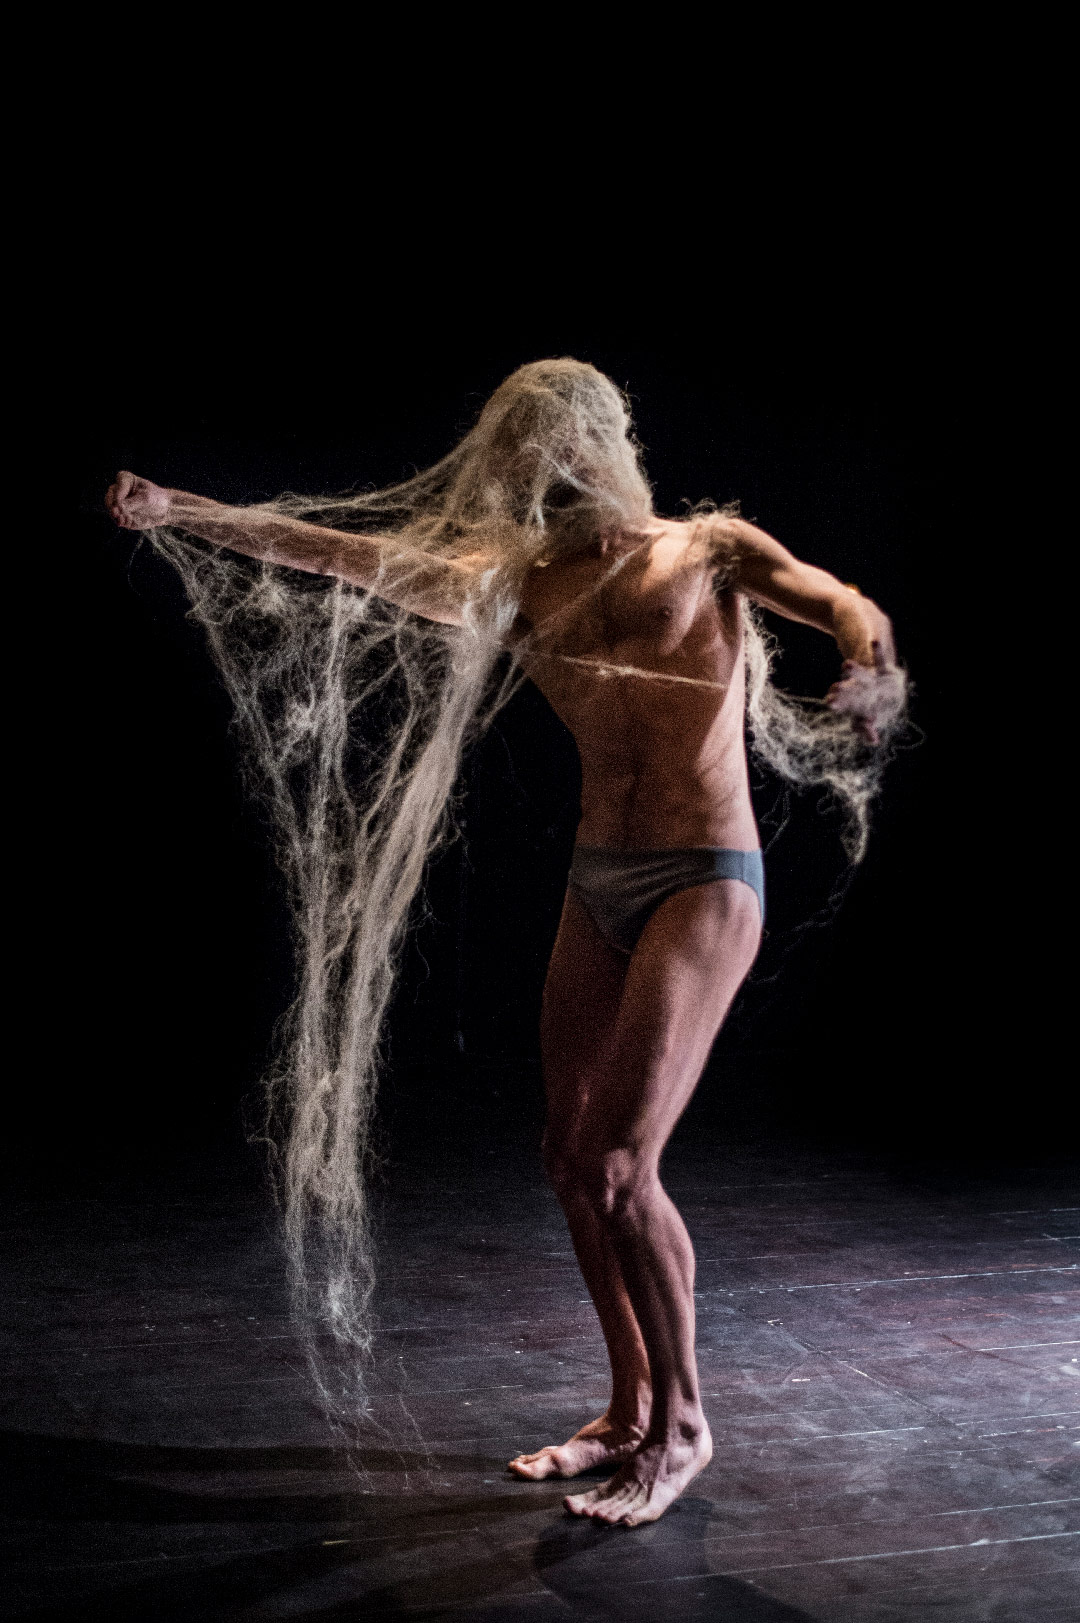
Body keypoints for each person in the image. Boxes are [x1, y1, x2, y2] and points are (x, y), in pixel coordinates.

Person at [106, 361, 903, 1526]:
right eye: (520, 448)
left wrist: (871, 662)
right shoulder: (522, 579)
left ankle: (685, 1426)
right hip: (598, 878)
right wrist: (182, 509)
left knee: (622, 1167)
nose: (538, 467)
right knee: (571, 1162)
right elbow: (344, 556)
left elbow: (837, 598)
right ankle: (628, 1408)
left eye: (554, 442)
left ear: (601, 440)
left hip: (703, 877)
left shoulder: (707, 549)